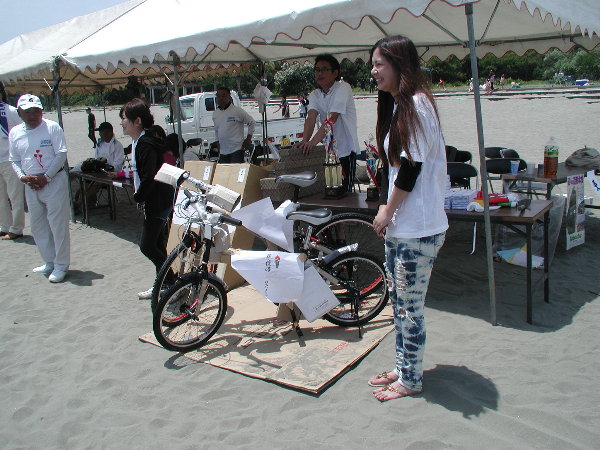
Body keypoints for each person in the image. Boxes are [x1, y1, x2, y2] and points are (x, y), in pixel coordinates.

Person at [369, 35, 448, 401]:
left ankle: (411, 379)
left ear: (399, 64)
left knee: (410, 308)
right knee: (399, 305)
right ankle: (403, 367)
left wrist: (387, 210)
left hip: (418, 228)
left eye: (379, 64)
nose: (373, 72)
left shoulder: (417, 104)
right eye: (373, 65)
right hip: (404, 226)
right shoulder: (400, 105)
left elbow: (411, 169)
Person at [9, 94, 71, 283]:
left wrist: (47, 177)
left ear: (41, 111)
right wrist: (22, 177)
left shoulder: (52, 127)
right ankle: (49, 261)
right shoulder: (15, 132)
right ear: (19, 113)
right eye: (27, 112)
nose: (32, 115)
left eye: (36, 111)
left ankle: (61, 265)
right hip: (31, 184)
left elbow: (61, 153)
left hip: (53, 181)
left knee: (58, 225)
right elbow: (14, 159)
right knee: (38, 226)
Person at [120, 98, 176, 299]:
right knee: (158, 245)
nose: (122, 122)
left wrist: (138, 196)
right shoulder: (138, 142)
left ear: (137, 121)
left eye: (124, 118)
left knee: (148, 246)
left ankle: (172, 282)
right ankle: (165, 284)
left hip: (157, 201)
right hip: (155, 200)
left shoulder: (145, 143)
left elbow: (149, 176)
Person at [293, 54, 360, 192]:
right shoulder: (315, 94)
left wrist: (312, 143)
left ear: (335, 72)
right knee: (329, 189)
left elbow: (332, 119)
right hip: (329, 151)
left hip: (346, 150)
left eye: (324, 69)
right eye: (317, 70)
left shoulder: (343, 88)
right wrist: (305, 140)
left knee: (344, 192)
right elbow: (311, 117)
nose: (320, 73)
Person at [0, 88, 25, 240]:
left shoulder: (11, 111)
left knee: (15, 196)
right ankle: (5, 225)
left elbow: (25, 129)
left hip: (9, 160)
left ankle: (16, 228)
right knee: (1, 197)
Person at [212, 87, 256, 163]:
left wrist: (248, 139)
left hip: (236, 150)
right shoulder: (215, 114)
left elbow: (251, 122)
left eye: (223, 95)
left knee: (235, 170)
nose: (221, 98)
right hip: (223, 152)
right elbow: (216, 131)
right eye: (218, 96)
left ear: (229, 97)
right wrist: (217, 143)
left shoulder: (237, 111)